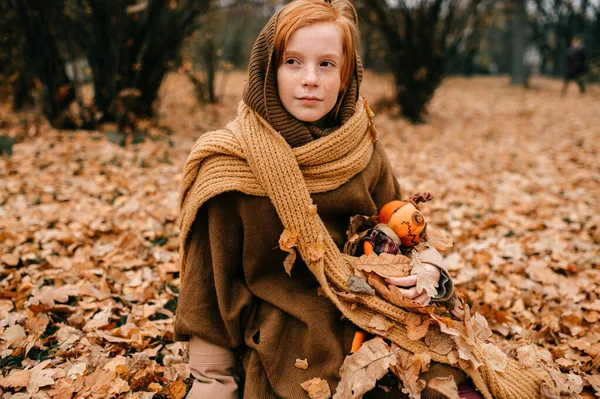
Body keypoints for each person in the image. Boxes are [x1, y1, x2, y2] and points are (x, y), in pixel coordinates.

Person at [175, 1, 549, 398]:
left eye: (326, 65)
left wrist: (427, 277)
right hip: (290, 341)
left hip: (376, 316)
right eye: (293, 62)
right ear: (268, 69)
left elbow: (405, 229)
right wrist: (212, 381)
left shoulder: (360, 145)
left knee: (464, 387)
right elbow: (208, 289)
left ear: (346, 75)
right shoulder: (230, 163)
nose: (310, 79)